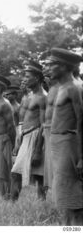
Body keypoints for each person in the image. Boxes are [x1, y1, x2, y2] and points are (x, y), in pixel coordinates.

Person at [47, 48, 83, 225]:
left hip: (69, 143)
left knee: (74, 196)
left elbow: (82, 123)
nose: (48, 67)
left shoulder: (75, 88)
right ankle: (67, 227)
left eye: (52, 64)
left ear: (64, 66)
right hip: (58, 143)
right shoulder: (62, 87)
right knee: (64, 193)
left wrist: (81, 158)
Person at [11, 60, 47, 202]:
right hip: (24, 136)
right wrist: (18, 140)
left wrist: (38, 149)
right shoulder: (27, 96)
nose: (24, 79)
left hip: (36, 136)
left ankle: (40, 202)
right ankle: (12, 203)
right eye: (23, 76)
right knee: (16, 172)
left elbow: (44, 124)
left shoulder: (43, 97)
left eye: (27, 77)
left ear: (37, 78)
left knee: (38, 174)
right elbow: (21, 120)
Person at [41, 59, 59, 190]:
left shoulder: (65, 88)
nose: (44, 69)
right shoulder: (51, 89)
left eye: (48, 67)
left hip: (59, 132)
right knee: (51, 169)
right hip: (48, 132)